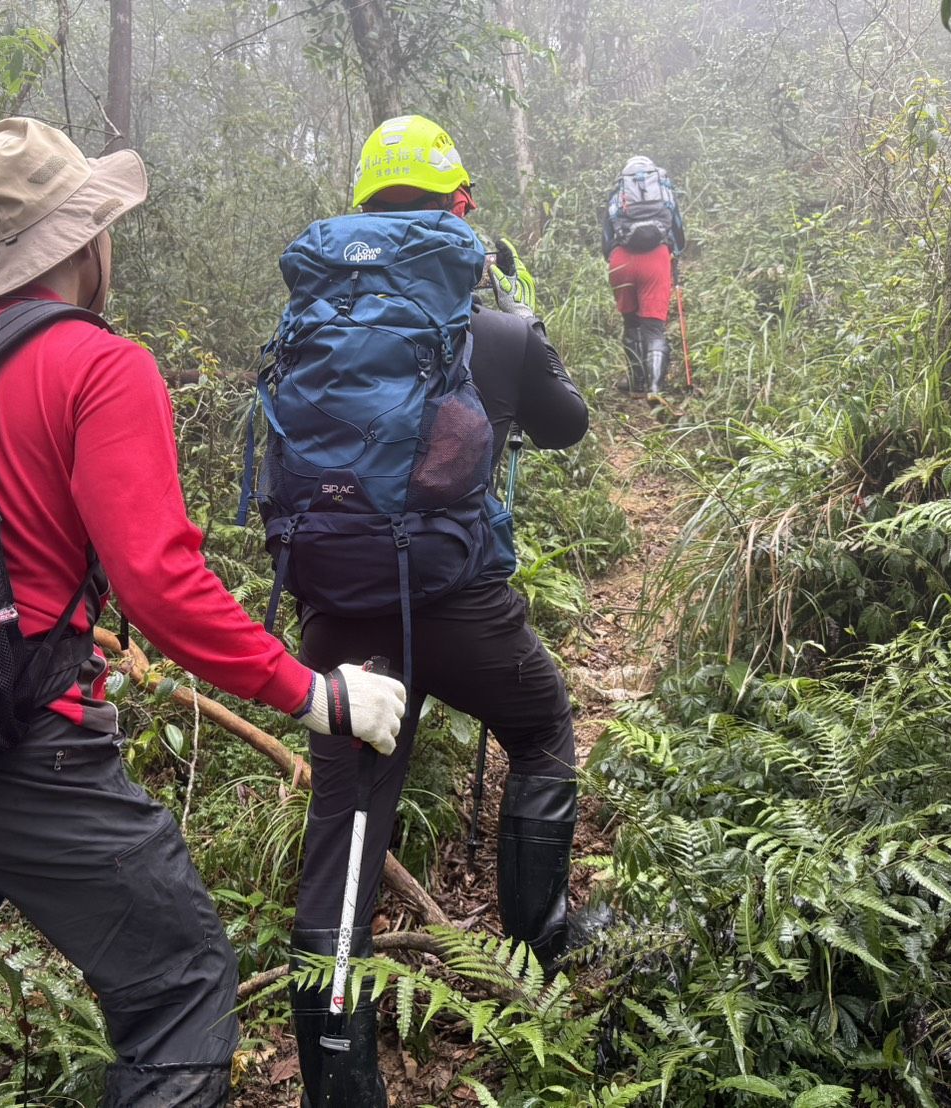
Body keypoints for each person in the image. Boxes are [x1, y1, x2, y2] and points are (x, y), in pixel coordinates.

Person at [0, 117, 406, 1108]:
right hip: (20, 750)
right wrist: (314, 694)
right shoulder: (98, 364)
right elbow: (161, 586)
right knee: (181, 988)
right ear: (85, 243)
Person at [285, 114, 590, 1107]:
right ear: (460, 208)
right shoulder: (494, 330)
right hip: (459, 606)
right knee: (541, 728)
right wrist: (521, 321)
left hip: (336, 615)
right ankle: (535, 940)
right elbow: (568, 426)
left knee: (347, 826)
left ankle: (340, 1085)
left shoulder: (313, 330)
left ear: (363, 208)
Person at [603, 155, 685, 397]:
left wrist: (616, 257)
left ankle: (636, 381)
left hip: (621, 261)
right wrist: (674, 253)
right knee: (654, 328)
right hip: (656, 259)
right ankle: (655, 388)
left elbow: (605, 241)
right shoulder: (665, 192)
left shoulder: (617, 194)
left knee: (631, 322)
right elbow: (679, 234)